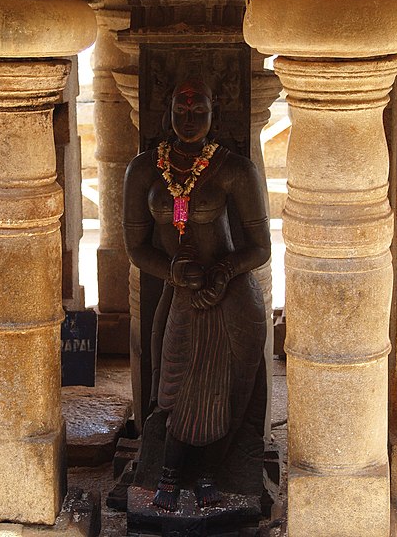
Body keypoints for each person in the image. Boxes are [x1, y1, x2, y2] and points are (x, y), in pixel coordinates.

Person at [123, 78, 270, 512]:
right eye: (180, 111)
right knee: (172, 387)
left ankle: (212, 473)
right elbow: (136, 248)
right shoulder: (144, 169)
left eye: (199, 111)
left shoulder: (235, 170)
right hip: (180, 295)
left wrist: (224, 272)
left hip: (232, 299)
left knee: (225, 392)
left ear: (215, 115)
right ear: (166, 113)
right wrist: (171, 271)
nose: (189, 119)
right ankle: (168, 473)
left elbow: (259, 248)